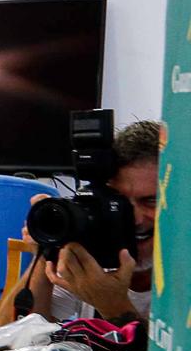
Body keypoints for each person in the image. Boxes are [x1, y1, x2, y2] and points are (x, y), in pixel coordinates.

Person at [22, 119, 163, 325]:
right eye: (117, 202)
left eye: (151, 201)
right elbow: (11, 336)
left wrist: (112, 304)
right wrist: (47, 252)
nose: (135, 219)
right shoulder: (92, 244)